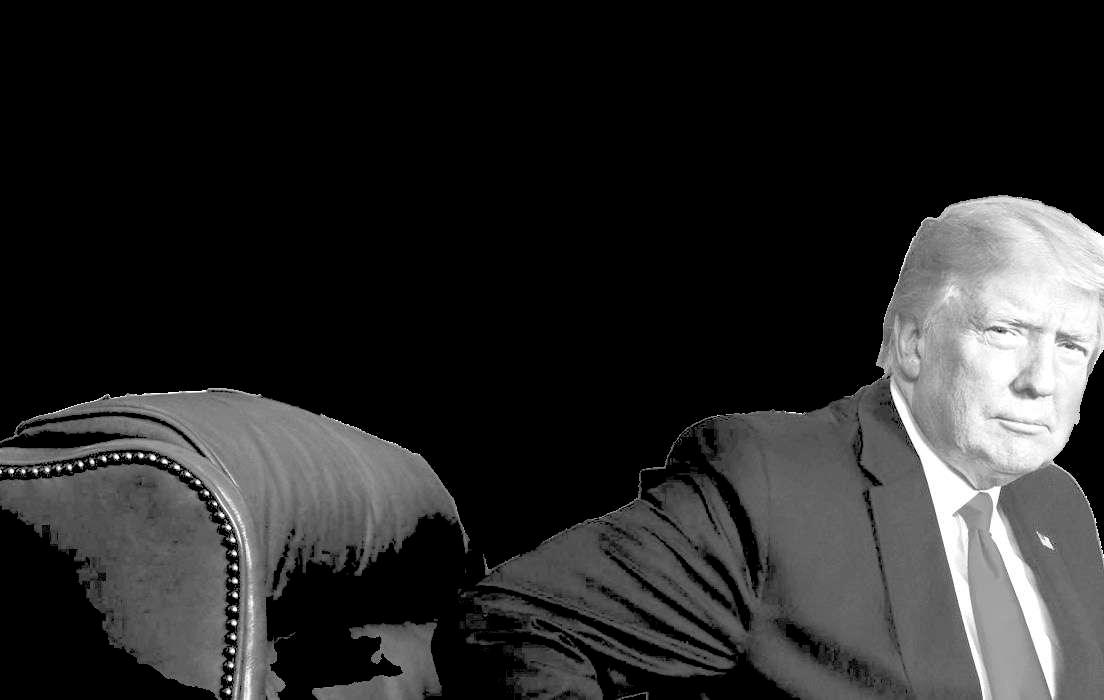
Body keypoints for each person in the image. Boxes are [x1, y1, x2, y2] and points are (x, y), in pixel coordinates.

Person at [433, 196, 1104, 698]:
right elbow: (508, 624)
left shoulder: (1057, 503)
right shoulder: (769, 484)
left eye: (1071, 346)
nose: (1040, 381)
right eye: (1005, 331)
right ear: (912, 342)